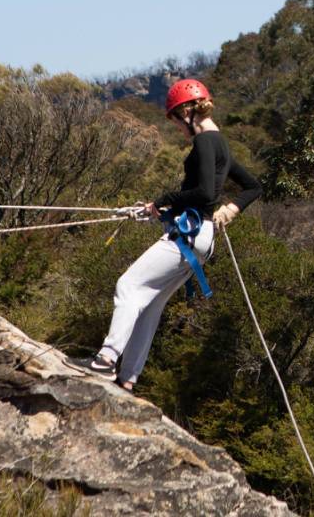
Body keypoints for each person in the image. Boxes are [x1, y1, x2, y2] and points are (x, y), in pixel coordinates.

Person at [78, 78, 262, 391]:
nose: (178, 127)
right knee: (149, 304)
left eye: (176, 120)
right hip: (200, 236)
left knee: (128, 285)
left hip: (189, 235)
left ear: (186, 112)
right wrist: (230, 209)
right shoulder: (221, 144)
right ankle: (127, 378)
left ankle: (106, 360)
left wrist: (162, 201)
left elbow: (203, 192)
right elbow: (254, 187)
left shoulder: (205, 142)